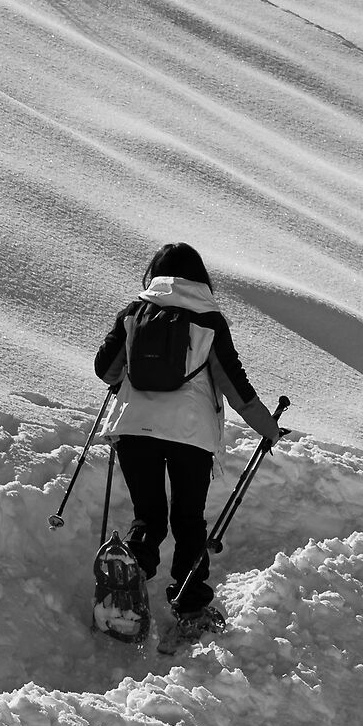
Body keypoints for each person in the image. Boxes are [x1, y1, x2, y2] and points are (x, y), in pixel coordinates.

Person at [93, 243, 281, 629]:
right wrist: (269, 429)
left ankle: (129, 579)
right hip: (189, 435)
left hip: (133, 429)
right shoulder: (209, 320)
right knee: (188, 519)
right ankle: (190, 607)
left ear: (156, 273)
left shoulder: (134, 312)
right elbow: (236, 388)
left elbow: (105, 371)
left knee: (149, 515)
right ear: (201, 278)